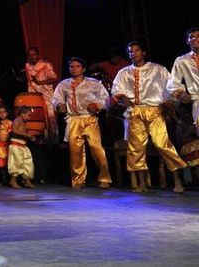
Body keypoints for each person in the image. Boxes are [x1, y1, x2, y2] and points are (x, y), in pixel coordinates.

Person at [112, 41, 187, 193]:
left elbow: (170, 86)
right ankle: (142, 183)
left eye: (136, 50)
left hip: (154, 110)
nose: (133, 53)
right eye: (130, 51)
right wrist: (121, 97)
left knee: (162, 144)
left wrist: (168, 102)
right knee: (136, 148)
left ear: (143, 52)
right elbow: (116, 90)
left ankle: (178, 181)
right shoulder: (124, 72)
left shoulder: (157, 69)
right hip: (135, 111)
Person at [52, 57, 112, 189]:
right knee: (75, 151)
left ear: (83, 68)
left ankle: (104, 178)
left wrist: (97, 105)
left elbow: (105, 99)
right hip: (74, 120)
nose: (74, 69)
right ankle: (78, 180)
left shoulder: (94, 83)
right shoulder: (64, 84)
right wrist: (59, 105)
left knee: (97, 149)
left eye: (77, 66)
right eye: (71, 66)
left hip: (90, 119)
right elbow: (56, 99)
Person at [167, 27, 199, 136]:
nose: (195, 39)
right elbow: (172, 82)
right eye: (192, 37)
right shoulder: (182, 60)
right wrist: (180, 93)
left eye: (198, 36)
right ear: (187, 41)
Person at [24, 46, 58, 142]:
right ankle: (40, 138)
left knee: (50, 117)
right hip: (34, 94)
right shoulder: (27, 65)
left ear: (38, 54)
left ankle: (54, 140)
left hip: (46, 94)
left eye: (34, 54)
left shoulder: (46, 64)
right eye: (30, 55)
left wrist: (40, 83)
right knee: (37, 116)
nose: (32, 57)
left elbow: (54, 78)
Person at [8, 107, 36, 189]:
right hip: (16, 145)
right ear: (22, 114)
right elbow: (14, 130)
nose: (29, 118)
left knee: (28, 163)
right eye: (28, 115)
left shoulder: (23, 122)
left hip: (23, 145)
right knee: (17, 163)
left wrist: (30, 137)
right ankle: (12, 180)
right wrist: (26, 135)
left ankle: (27, 181)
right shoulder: (17, 120)